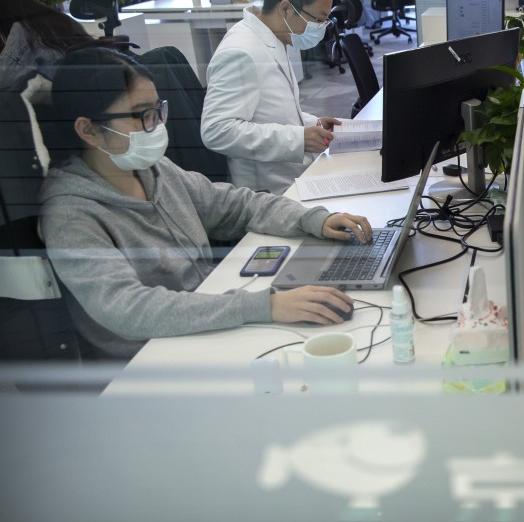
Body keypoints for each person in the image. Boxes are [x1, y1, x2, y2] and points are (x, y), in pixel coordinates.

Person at [39, 48, 372, 360]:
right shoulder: (71, 215)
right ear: (89, 130)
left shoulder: (152, 169)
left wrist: (312, 219)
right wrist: (265, 306)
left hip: (207, 320)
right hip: (152, 357)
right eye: (143, 116)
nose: (156, 126)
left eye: (158, 110)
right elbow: (130, 309)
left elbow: (235, 205)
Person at [201, 0, 340, 195]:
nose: (322, 27)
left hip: (295, 177)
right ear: (286, 8)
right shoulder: (241, 51)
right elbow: (216, 130)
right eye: (318, 19)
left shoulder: (276, 36)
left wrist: (311, 125)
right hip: (268, 193)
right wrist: (298, 140)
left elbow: (270, 111)